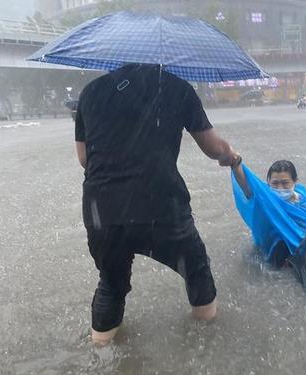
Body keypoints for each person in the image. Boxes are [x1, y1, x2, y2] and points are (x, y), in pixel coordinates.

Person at [75, 64, 241, 345]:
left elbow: (84, 159)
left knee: (111, 285)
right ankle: (209, 345)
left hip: (102, 210)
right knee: (196, 270)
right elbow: (214, 149)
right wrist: (230, 155)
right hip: (161, 206)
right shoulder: (176, 87)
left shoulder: (91, 92)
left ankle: (101, 353)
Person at [231, 160, 306, 267]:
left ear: (295, 181)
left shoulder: (302, 201)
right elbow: (246, 187)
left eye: (285, 183)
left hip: (295, 249)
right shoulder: (265, 199)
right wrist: (235, 165)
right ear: (268, 182)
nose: (280, 188)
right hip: (272, 248)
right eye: (275, 183)